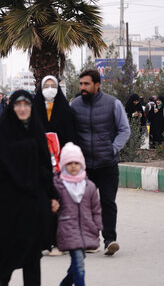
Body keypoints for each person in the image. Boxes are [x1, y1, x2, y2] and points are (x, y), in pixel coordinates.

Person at [0, 90, 59, 286]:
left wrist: (52, 195)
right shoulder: (4, 131)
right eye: (18, 104)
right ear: (12, 107)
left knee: (33, 252)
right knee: (9, 248)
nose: (22, 108)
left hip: (34, 200)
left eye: (26, 104)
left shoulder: (36, 130)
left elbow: (46, 165)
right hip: (9, 199)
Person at [70, 69, 130, 256]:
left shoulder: (113, 104)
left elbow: (124, 130)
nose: (83, 87)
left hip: (107, 164)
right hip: (84, 165)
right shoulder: (75, 105)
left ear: (97, 85)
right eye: (81, 84)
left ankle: (110, 240)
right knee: (85, 203)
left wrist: (112, 149)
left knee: (107, 203)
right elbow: (70, 131)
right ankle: (89, 239)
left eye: (86, 84)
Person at [32, 75, 77, 257]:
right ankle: (43, 241)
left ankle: (60, 242)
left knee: (61, 203)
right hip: (40, 165)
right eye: (46, 86)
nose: (50, 88)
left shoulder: (65, 110)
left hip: (62, 165)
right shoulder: (35, 109)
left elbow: (71, 135)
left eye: (53, 85)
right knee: (42, 203)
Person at [54, 143, 102, 286]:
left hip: (86, 229)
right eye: (69, 163)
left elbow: (96, 209)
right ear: (63, 165)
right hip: (68, 230)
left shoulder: (89, 186)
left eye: (76, 163)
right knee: (79, 265)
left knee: (76, 265)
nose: (73, 166)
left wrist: (97, 226)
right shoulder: (58, 185)